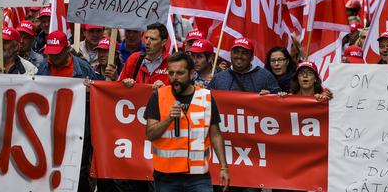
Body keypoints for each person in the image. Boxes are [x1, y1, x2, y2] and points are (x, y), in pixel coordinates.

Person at [144, 52, 230, 191]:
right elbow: (150, 134)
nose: (174, 78)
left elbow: (215, 135)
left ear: (191, 74)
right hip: (166, 177)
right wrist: (168, 119)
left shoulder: (205, 97)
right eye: (171, 73)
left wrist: (224, 167)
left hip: (198, 176)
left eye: (180, 73)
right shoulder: (158, 96)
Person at [37, 31, 97, 192]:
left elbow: (98, 99)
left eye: (56, 54)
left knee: (78, 171)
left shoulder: (83, 68)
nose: (53, 58)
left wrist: (91, 92)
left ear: (67, 49)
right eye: (50, 54)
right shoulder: (43, 66)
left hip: (77, 131)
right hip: (50, 129)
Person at [209, 37, 280, 94]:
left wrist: (271, 96)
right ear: (231, 55)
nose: (239, 56)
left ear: (252, 57)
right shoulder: (218, 78)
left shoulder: (265, 77)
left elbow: (280, 102)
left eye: (244, 53)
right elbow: (206, 103)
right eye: (236, 52)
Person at [116, 22, 170, 88]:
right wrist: (125, 84)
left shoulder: (172, 63)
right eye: (146, 38)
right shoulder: (134, 59)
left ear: (163, 42)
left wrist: (165, 89)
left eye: (152, 39)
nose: (147, 42)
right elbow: (118, 88)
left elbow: (180, 93)